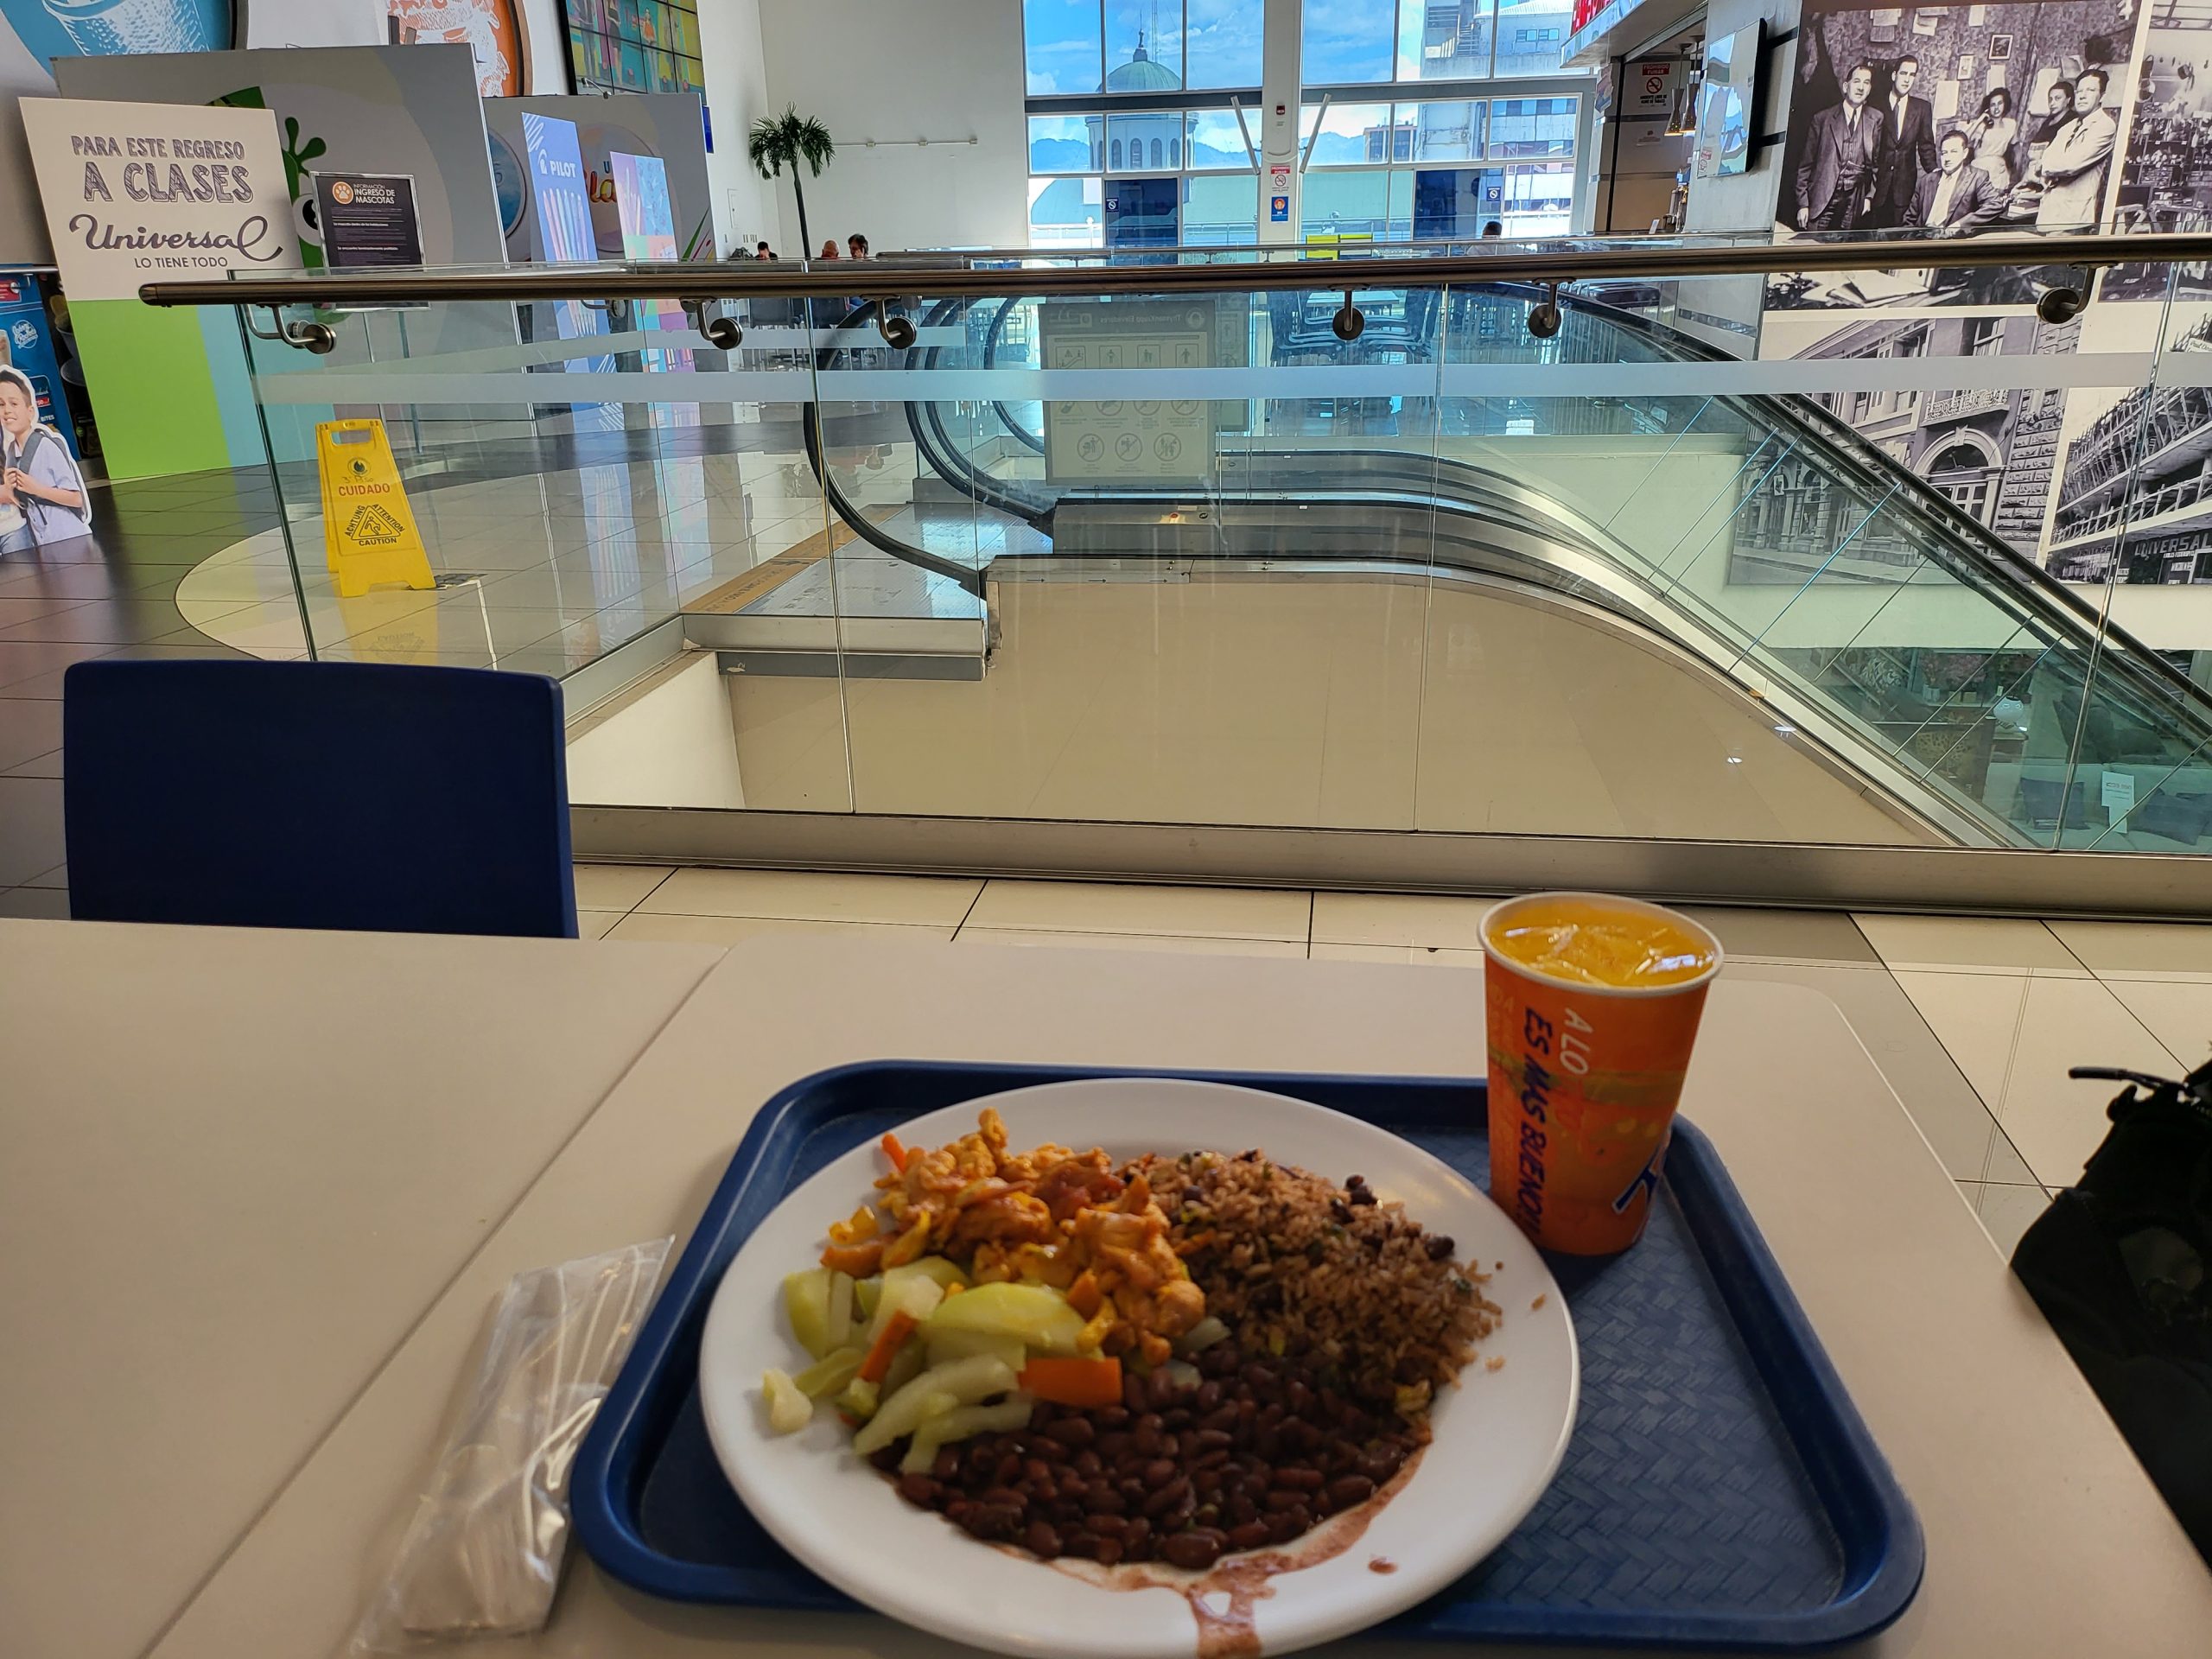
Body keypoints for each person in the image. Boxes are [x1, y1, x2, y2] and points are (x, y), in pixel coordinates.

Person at [0, 365, 90, 553]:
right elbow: (21, 499)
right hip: (43, 540)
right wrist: (11, 490)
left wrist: (36, 489)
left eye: (14, 404)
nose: (7, 411)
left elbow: (77, 499)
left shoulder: (47, 446)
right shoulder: (11, 453)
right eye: (1, 405)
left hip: (67, 536)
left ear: (30, 411)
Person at [1795, 62, 1881, 232]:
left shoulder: (1876, 119)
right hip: (1823, 197)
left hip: (1854, 201)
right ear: (1846, 86)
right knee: (1813, 248)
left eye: (1866, 83)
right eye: (1857, 81)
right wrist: (1803, 203)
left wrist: (1869, 197)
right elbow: (1805, 166)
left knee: (1843, 251)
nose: (1861, 88)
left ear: (1870, 89)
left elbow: (1876, 164)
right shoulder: (1822, 119)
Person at [2028, 67, 2117, 230]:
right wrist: (2044, 167)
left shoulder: (2105, 126)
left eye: (2090, 90)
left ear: (2102, 96)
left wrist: (2043, 166)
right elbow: (2048, 156)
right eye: (2079, 91)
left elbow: (2071, 165)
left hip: (2073, 217)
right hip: (2049, 212)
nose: (2082, 95)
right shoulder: (2067, 127)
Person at [1869, 55, 1937, 228]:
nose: (1907, 79)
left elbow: (1926, 147)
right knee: (1872, 233)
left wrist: (1936, 175)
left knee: (1898, 235)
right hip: (1876, 185)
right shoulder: (1875, 104)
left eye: (1912, 75)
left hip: (1904, 186)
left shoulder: (1922, 108)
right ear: (1894, 75)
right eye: (1904, 73)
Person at [1908, 129, 2007, 234]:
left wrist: (1960, 225)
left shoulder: (1977, 177)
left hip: (1953, 241)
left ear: (1965, 153)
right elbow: (1909, 219)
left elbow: (1994, 205)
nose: (1947, 158)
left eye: (1954, 152)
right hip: (1922, 239)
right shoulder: (1927, 180)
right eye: (1944, 153)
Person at [1967, 86, 2020, 194]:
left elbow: (2017, 148)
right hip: (1981, 167)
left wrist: (2016, 171)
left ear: (2005, 104)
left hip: (1999, 169)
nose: (1996, 108)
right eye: (1993, 105)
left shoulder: (2010, 124)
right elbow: (1963, 139)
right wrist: (1980, 120)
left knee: (1997, 204)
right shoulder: (1982, 126)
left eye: (1999, 103)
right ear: (1988, 108)